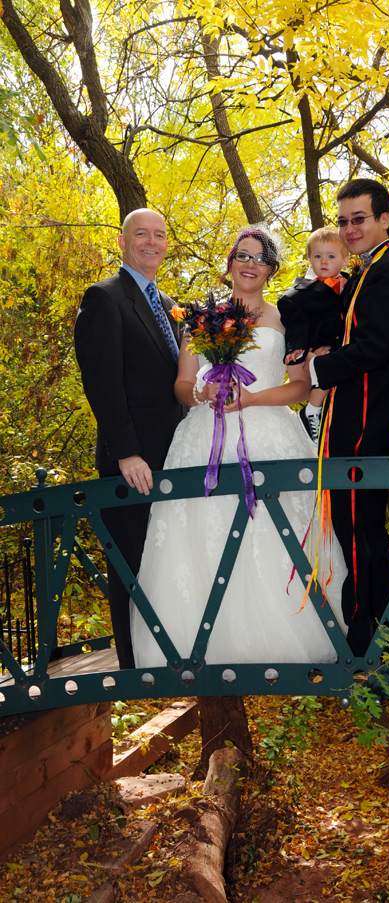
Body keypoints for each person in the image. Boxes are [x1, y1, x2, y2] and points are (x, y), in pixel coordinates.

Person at [130, 227, 346, 668]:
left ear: (271, 268)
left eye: (261, 257)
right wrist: (205, 394)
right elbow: (182, 384)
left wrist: (249, 400)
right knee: (200, 531)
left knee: (273, 529)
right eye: (242, 255)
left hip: (269, 433)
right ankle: (198, 641)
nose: (250, 263)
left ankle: (286, 636)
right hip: (204, 436)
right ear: (230, 263)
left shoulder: (288, 319)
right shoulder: (200, 318)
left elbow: (301, 388)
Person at [307, 179, 389, 657]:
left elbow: (372, 350)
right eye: (343, 220)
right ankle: (378, 635)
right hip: (351, 418)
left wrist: (315, 367)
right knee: (359, 528)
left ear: (384, 220)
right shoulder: (367, 271)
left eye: (359, 219)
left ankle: (366, 639)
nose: (349, 229)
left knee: (359, 529)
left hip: (364, 424)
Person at [74, 209, 186, 669]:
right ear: (123, 241)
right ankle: (132, 662)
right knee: (130, 561)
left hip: (175, 454)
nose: (151, 242)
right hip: (133, 459)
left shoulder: (170, 305)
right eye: (141, 234)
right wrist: (126, 452)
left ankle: (164, 651)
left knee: (165, 557)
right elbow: (102, 381)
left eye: (159, 235)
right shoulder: (105, 298)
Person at [277, 227, 349, 444]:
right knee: (325, 370)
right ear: (309, 258)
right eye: (318, 256)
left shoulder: (350, 284)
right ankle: (311, 412)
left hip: (342, 344)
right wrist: (298, 349)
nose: (324, 261)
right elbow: (296, 324)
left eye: (331, 256)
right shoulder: (298, 294)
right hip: (316, 345)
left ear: (345, 260)